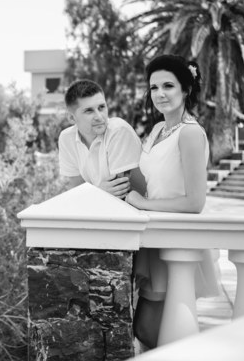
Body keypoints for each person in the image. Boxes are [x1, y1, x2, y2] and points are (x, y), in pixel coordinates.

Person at [125, 54, 220, 349]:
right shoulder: (156, 130)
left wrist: (143, 204)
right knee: (149, 329)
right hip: (153, 236)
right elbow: (147, 181)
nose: (160, 94)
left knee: (148, 328)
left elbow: (195, 202)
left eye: (168, 86)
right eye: (154, 87)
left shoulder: (190, 133)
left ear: (186, 89)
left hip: (175, 237)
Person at [58, 79, 142, 198]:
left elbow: (120, 192)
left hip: (137, 205)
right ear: (72, 118)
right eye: (89, 111)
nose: (99, 116)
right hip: (101, 207)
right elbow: (77, 190)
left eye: (101, 107)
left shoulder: (118, 131)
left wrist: (93, 193)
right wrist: (98, 191)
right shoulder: (67, 138)